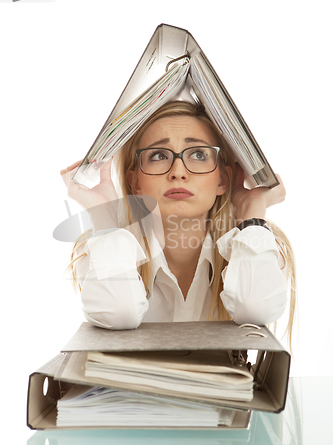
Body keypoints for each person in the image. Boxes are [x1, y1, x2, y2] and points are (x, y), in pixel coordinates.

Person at [61, 101, 296, 347]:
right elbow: (118, 313)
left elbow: (256, 310)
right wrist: (106, 217)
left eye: (198, 154)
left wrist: (253, 213)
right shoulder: (103, 247)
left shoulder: (257, 243)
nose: (178, 172)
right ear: (135, 183)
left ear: (222, 180)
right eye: (159, 156)